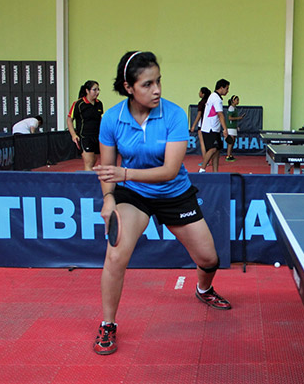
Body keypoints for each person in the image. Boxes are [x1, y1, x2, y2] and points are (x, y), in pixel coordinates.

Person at [92, 51, 231, 356]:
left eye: (158, 81)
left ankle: (204, 289)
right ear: (129, 87)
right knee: (115, 255)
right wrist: (109, 198)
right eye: (147, 84)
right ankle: (108, 323)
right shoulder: (112, 119)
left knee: (209, 259)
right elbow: (108, 169)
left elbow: (169, 170)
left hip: (173, 192)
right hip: (134, 195)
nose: (156, 90)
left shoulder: (174, 115)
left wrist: (125, 174)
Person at [67, 80, 104, 171]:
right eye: (94, 90)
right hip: (84, 137)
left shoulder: (99, 104)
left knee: (93, 160)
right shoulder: (79, 104)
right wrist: (73, 135)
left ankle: (86, 176)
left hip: (96, 136)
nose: (97, 92)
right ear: (87, 91)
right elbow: (69, 119)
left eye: (98, 89)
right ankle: (88, 179)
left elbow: (100, 118)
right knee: (89, 162)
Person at [199, 79, 230, 173]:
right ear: (221, 88)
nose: (227, 91)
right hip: (210, 129)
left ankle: (215, 173)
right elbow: (220, 114)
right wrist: (225, 129)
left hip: (214, 129)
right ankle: (202, 169)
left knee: (217, 151)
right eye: (227, 88)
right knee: (213, 149)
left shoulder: (214, 96)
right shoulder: (216, 99)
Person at [190, 87, 211, 162]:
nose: (199, 93)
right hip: (210, 124)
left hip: (202, 125)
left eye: (200, 92)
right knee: (209, 143)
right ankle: (209, 160)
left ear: (203, 94)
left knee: (202, 143)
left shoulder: (201, 103)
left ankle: (205, 161)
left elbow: (199, 115)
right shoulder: (209, 102)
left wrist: (193, 125)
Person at [225, 95, 244, 162]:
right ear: (233, 101)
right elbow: (229, 118)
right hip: (230, 128)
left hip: (233, 127)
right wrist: (239, 118)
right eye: (237, 100)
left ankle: (230, 155)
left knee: (233, 142)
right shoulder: (231, 108)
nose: (238, 101)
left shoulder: (235, 108)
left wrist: (236, 126)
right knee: (230, 142)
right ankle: (228, 156)